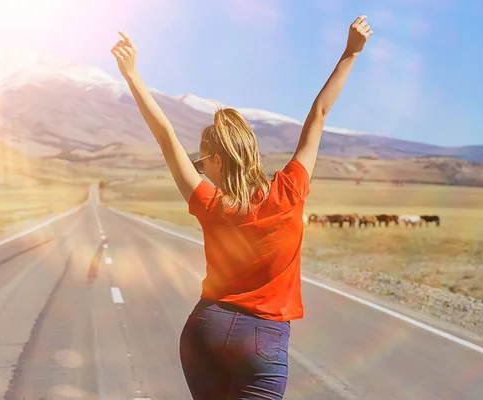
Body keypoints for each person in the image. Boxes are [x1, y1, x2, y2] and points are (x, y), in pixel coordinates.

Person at [111, 14, 373, 400]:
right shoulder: (290, 190)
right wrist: (350, 53)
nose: (201, 169)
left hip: (205, 329)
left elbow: (166, 136)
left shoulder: (210, 202)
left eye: (202, 162)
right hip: (262, 339)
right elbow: (318, 115)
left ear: (217, 159)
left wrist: (132, 75)